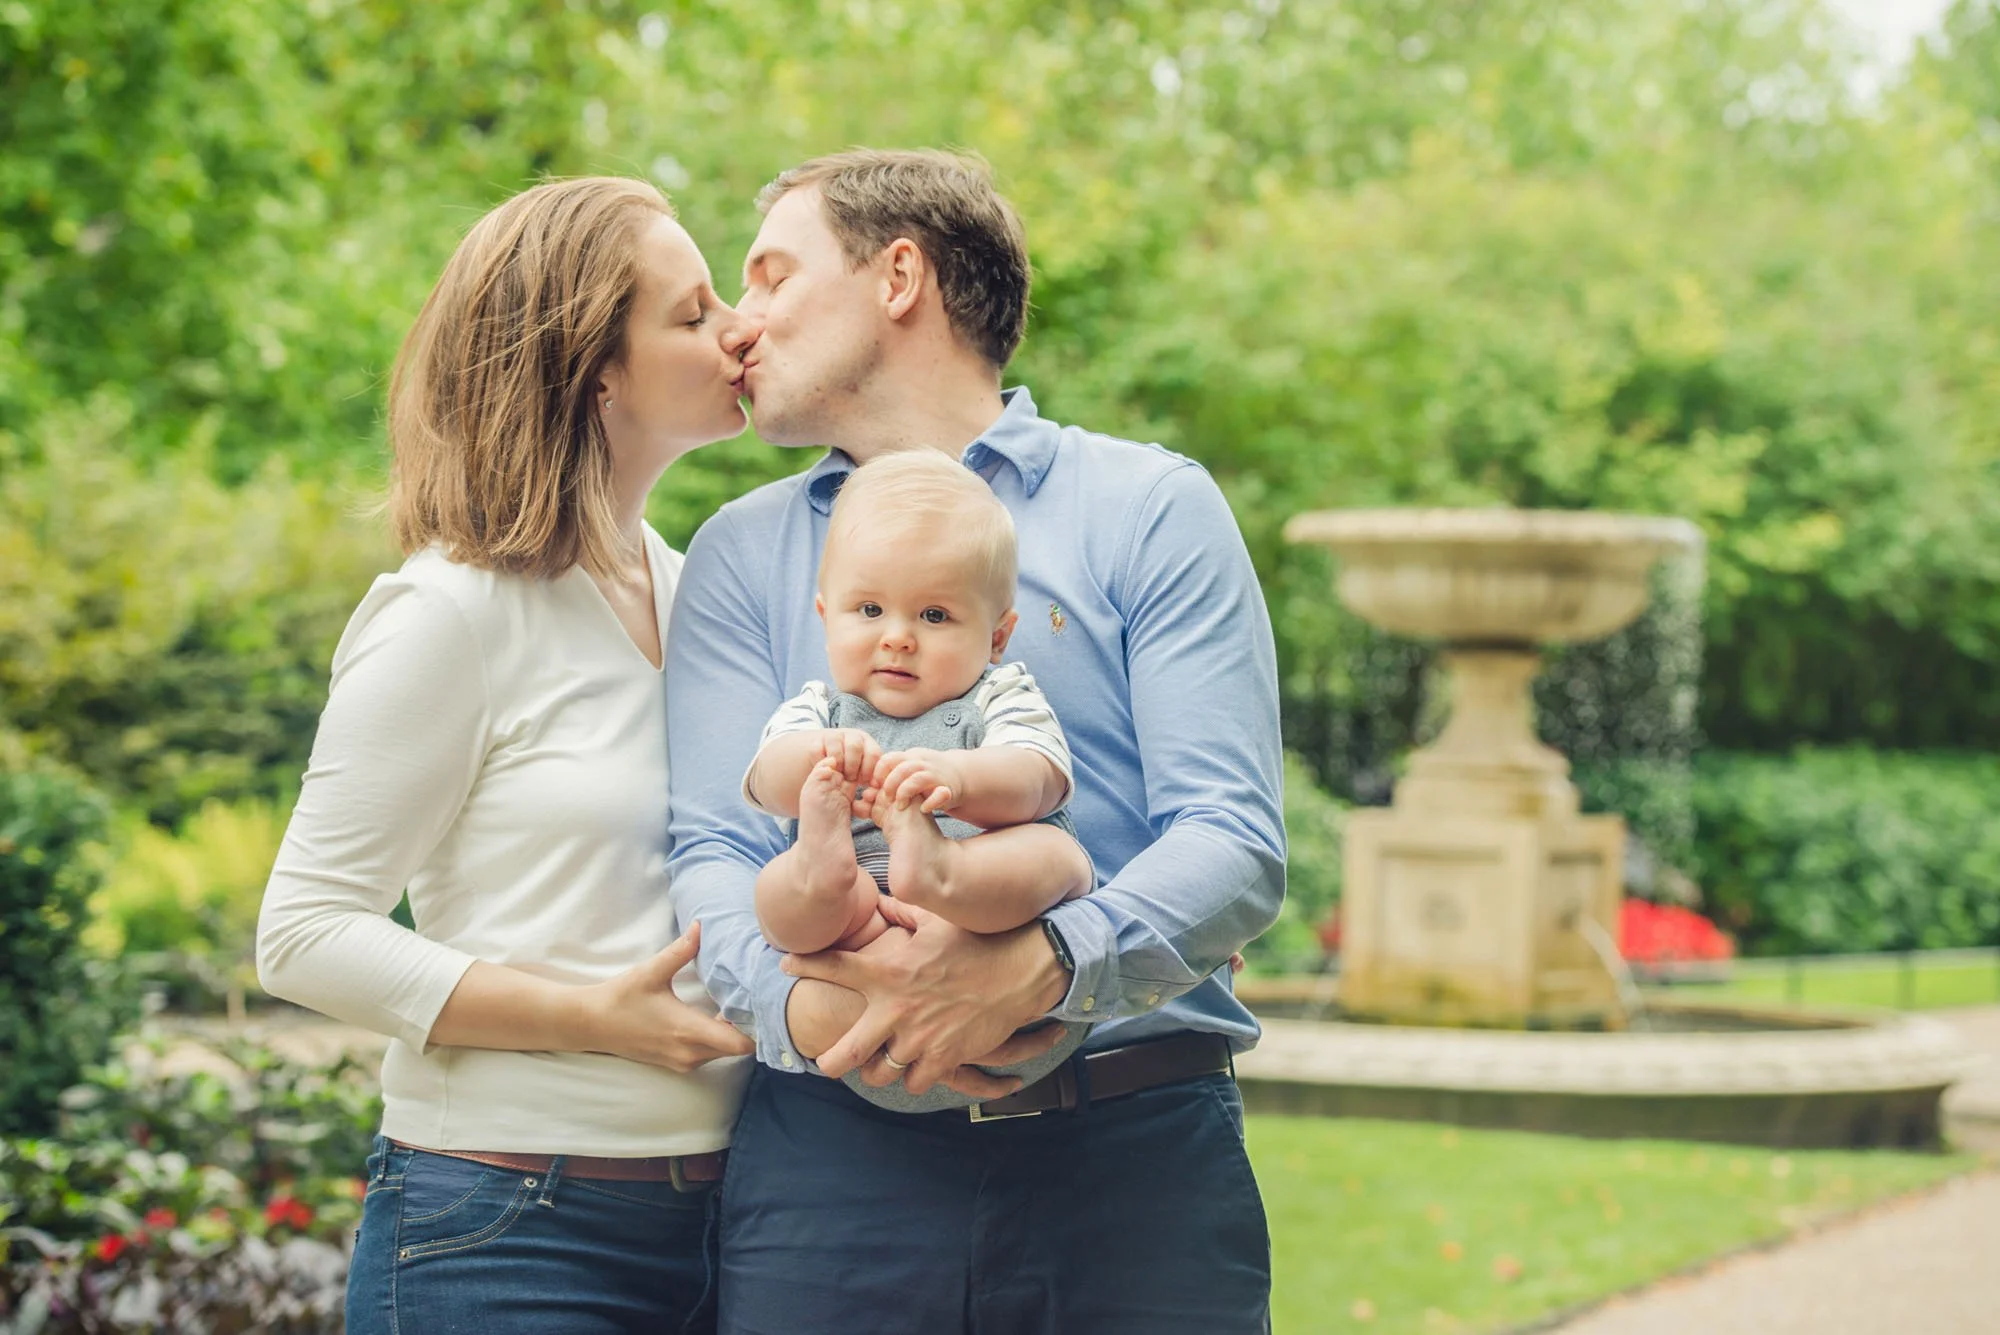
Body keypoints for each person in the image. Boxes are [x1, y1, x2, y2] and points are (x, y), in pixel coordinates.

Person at [666, 149, 1285, 1333]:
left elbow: (1234, 840)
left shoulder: (1150, 508)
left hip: (1133, 1165)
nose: (739, 324)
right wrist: (823, 1021)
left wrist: (1036, 971)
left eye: (771, 276)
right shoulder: (740, 555)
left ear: (898, 275)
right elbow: (706, 848)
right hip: (829, 1175)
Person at [256, 176, 759, 1335]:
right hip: (504, 1231)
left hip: (723, 1227)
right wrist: (592, 1019)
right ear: (594, 370)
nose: (736, 327)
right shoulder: (450, 611)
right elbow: (303, 933)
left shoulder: (693, 592)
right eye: (689, 316)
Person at [743, 448, 1093, 1111]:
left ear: (997, 637)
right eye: (869, 610)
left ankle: (939, 869)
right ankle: (824, 864)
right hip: (865, 939)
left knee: (1054, 853)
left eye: (934, 616)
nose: (898, 637)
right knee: (777, 895)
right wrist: (820, 763)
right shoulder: (821, 709)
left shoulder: (999, 695)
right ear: (826, 617)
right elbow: (766, 780)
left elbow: (1038, 777)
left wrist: (955, 777)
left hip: (996, 944)